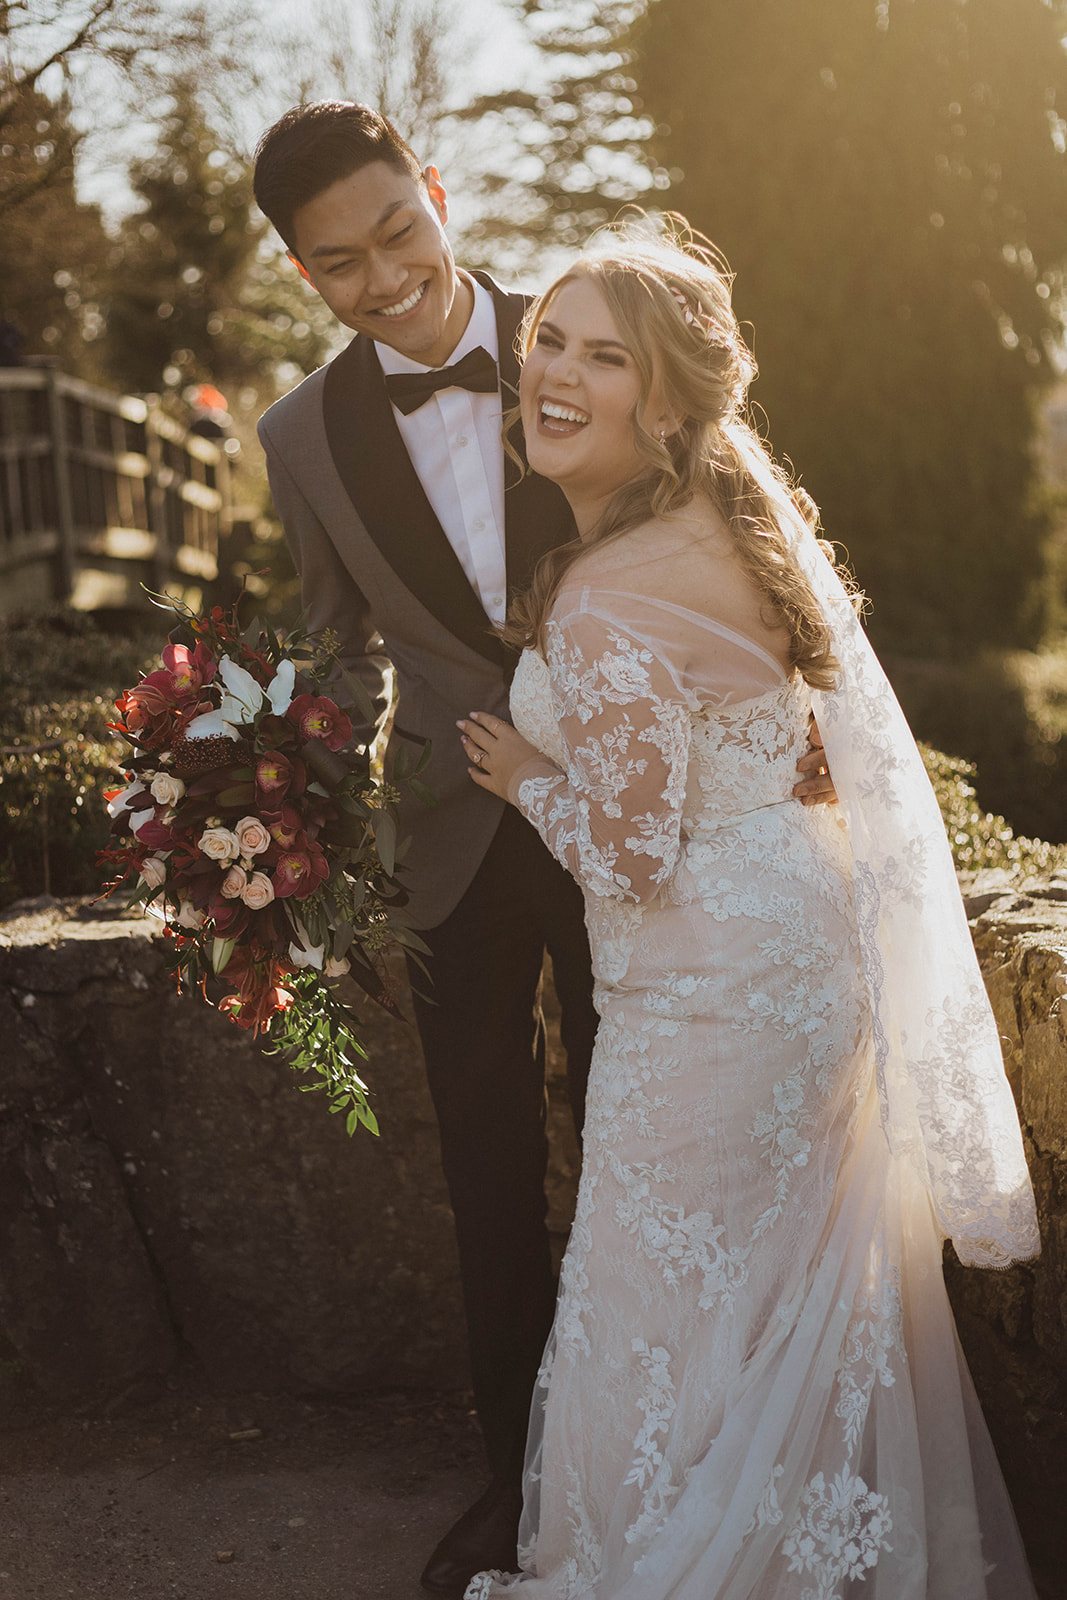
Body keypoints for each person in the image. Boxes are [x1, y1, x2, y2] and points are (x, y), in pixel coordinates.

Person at [251, 103, 836, 1598]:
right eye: (339, 266)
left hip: (638, 831)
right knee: (492, 1174)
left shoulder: (589, 341)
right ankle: (524, 1479)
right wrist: (268, 810)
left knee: (646, 1146)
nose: (385, 279)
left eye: (399, 233)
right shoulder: (301, 436)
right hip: (449, 835)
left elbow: (725, 563)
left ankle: (663, 1455)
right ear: (300, 273)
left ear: (434, 194)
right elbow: (327, 650)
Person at [457, 222, 1040, 1599]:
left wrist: (528, 773)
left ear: (666, 405)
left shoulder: (602, 596)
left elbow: (635, 852)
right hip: (800, 934)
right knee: (789, 1282)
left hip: (706, 980)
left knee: (665, 1281)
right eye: (548, 337)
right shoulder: (734, 532)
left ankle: (681, 1564)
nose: (557, 370)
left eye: (605, 356)